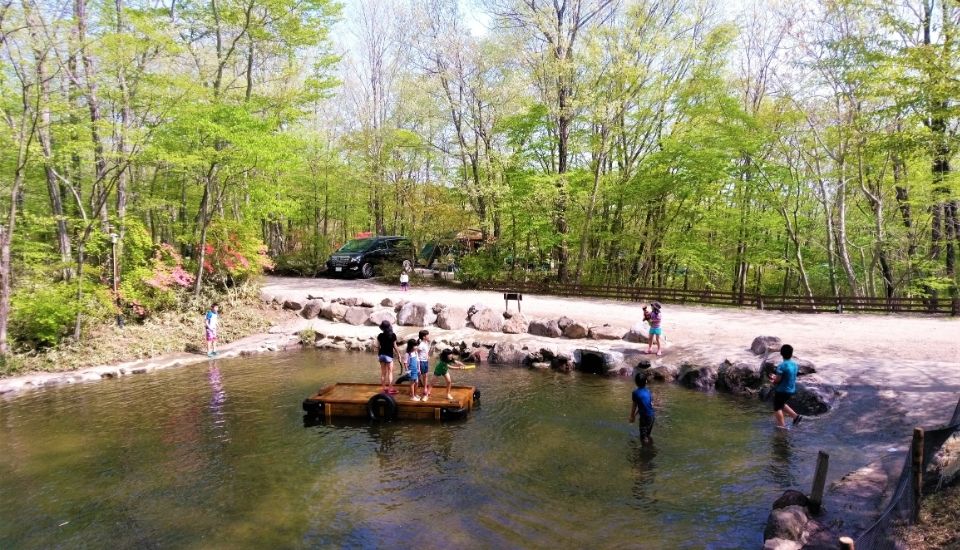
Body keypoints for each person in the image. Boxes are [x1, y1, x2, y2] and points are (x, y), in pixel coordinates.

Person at [769, 344, 803, 430]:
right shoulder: (795, 365)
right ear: (791, 354)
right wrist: (776, 378)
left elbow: (778, 380)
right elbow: (789, 376)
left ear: (781, 354)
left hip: (782, 390)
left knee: (777, 407)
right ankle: (796, 417)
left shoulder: (781, 366)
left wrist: (773, 379)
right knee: (781, 403)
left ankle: (781, 426)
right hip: (791, 389)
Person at [629, 371, 655, 444]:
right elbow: (647, 405)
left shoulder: (635, 393)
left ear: (636, 382)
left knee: (643, 438)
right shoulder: (649, 392)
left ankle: (646, 451)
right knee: (647, 434)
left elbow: (634, 406)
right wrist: (635, 415)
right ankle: (650, 444)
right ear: (646, 382)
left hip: (644, 418)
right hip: (652, 417)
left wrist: (632, 417)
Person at [376, 321, 402, 394]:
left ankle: (384, 389)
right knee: (390, 373)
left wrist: (379, 355)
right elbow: (395, 346)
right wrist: (399, 355)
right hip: (389, 356)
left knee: (383, 373)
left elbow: (378, 346)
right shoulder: (392, 335)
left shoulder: (380, 335)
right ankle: (390, 389)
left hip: (381, 355)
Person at [417, 329, 432, 399]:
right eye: (427, 335)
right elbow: (417, 352)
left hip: (425, 361)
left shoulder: (426, 343)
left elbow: (427, 351)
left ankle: (424, 387)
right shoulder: (421, 344)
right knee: (422, 375)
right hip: (421, 361)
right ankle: (422, 387)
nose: (429, 336)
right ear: (424, 337)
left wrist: (427, 355)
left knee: (425, 375)